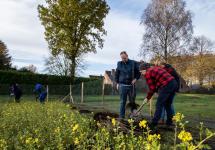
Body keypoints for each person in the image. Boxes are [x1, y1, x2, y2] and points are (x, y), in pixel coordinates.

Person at [139, 62, 178, 128]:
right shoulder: (155, 68)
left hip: (167, 85)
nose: (141, 74)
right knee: (167, 104)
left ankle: (153, 124)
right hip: (174, 83)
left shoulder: (148, 73)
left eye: (141, 72)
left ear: (144, 69)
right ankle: (169, 123)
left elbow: (152, 88)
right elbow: (157, 83)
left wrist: (147, 98)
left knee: (159, 104)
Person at [115, 51, 141, 118]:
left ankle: (133, 116)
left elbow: (138, 73)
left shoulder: (133, 63)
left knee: (132, 101)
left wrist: (135, 79)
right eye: (122, 58)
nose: (123, 60)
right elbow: (117, 74)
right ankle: (121, 117)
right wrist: (117, 83)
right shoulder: (119, 64)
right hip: (122, 86)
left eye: (124, 58)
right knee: (122, 102)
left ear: (127, 56)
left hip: (131, 86)